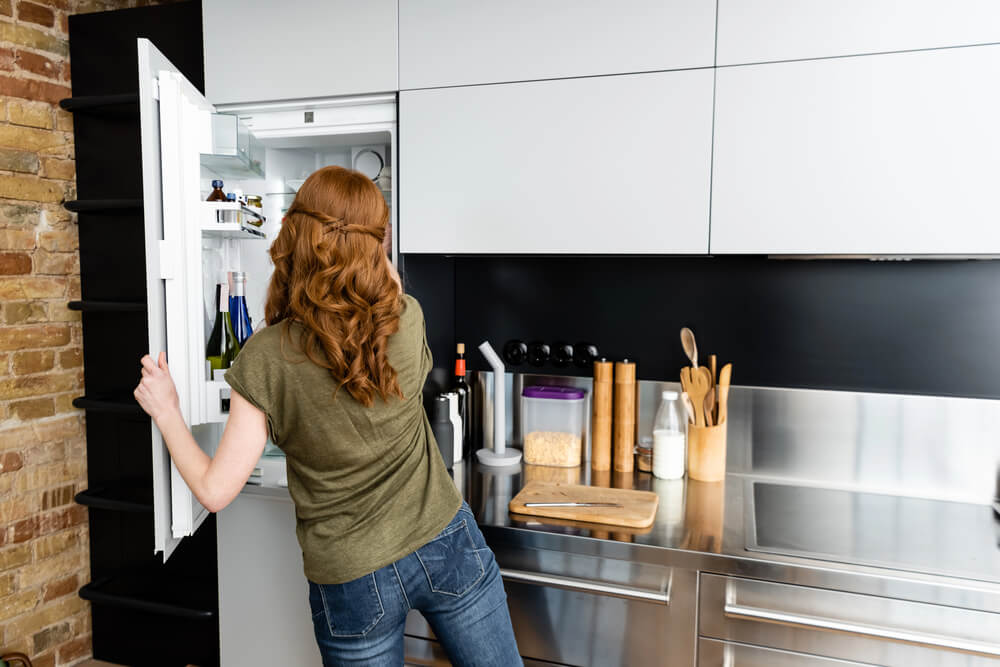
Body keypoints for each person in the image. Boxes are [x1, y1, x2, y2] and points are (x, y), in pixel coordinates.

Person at [134, 166, 522, 667]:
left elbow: (214, 491)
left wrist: (167, 411)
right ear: (375, 246)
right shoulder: (406, 318)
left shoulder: (265, 357)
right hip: (445, 540)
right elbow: (387, 284)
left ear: (296, 235)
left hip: (351, 574)